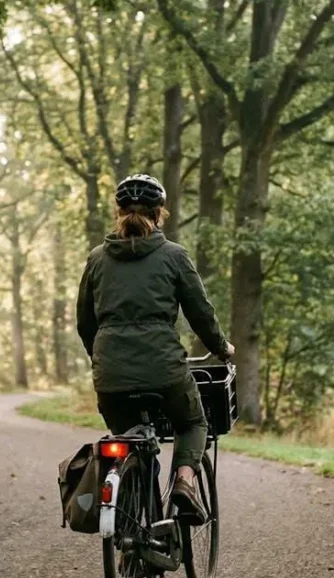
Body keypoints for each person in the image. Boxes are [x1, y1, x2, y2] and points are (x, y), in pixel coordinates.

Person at [75, 174, 234, 525]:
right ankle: (184, 481)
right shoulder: (174, 256)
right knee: (194, 421)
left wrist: (100, 358)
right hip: (164, 371)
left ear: (118, 213)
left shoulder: (97, 259)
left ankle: (130, 523)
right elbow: (200, 314)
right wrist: (221, 348)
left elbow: (85, 323)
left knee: (126, 439)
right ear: (160, 212)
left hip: (110, 376)